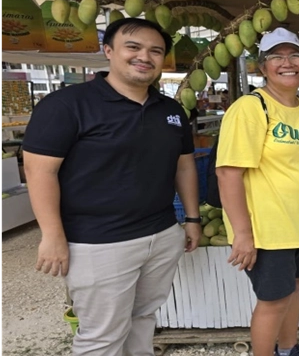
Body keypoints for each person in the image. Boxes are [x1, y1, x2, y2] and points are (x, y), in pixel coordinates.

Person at [22, 18, 202, 355]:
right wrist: (52, 235)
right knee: (101, 337)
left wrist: (191, 218)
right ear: (109, 51)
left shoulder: (170, 109)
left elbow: (184, 164)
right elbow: (38, 172)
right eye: (133, 47)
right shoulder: (67, 105)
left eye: (155, 51)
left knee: (143, 318)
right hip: (98, 242)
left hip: (161, 235)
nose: (144, 57)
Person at [216, 27, 299, 356]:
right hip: (268, 230)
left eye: (295, 55)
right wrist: (242, 233)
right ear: (262, 66)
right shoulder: (251, 108)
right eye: (276, 57)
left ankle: (288, 350)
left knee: (294, 289)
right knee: (273, 301)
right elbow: (228, 173)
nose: (288, 63)